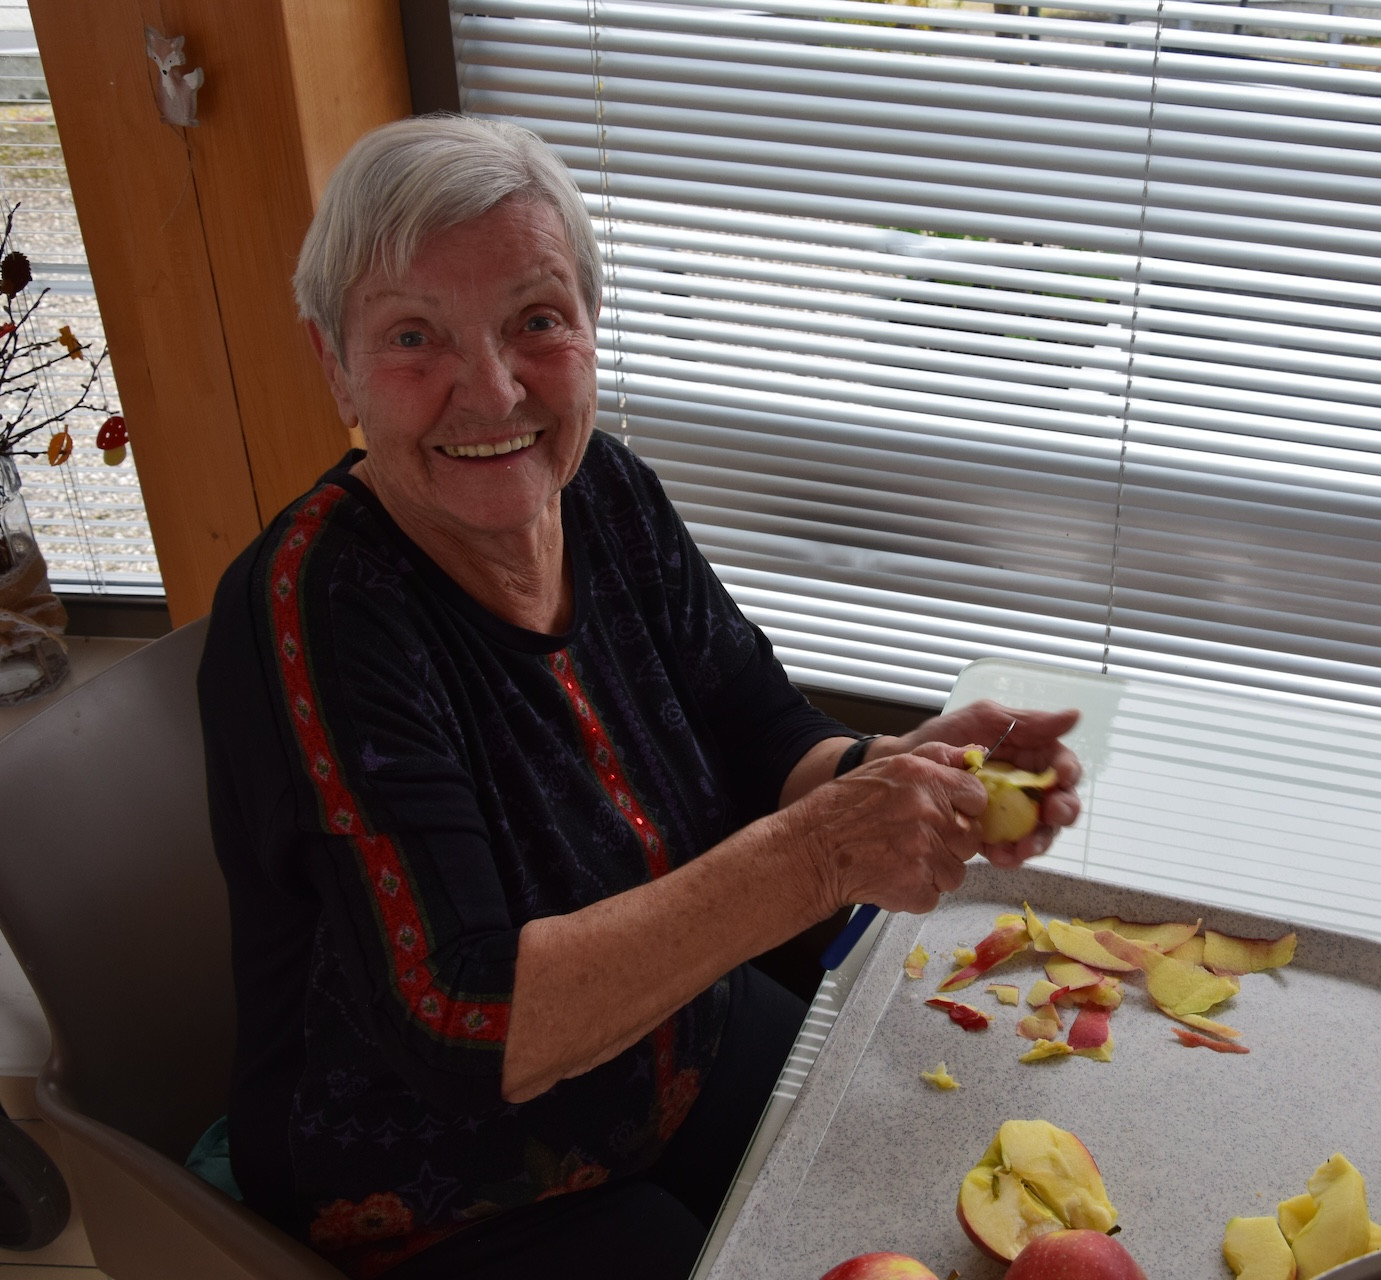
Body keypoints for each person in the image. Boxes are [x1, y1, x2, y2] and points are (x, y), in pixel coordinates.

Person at [197, 114, 1081, 1279]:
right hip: (432, 1175)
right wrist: (818, 858)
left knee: (925, 1184)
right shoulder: (314, 609)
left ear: (589, 325)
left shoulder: (602, 490)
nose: (493, 389)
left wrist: (906, 776)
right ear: (335, 364)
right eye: (416, 336)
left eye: (536, 320)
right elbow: (459, 1018)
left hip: (667, 1044)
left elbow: (766, 735)